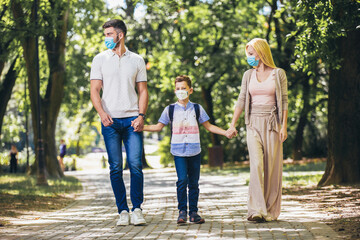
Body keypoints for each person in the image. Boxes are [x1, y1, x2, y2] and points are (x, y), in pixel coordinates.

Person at [142, 75, 231, 224]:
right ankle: (182, 212)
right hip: (178, 152)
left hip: (195, 150)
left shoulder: (197, 108)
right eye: (178, 89)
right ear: (174, 90)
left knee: (194, 183)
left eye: (183, 88)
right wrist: (141, 127)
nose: (180, 91)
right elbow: (158, 127)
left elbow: (208, 126)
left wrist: (225, 132)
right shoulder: (169, 109)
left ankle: (194, 213)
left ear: (190, 90)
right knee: (182, 180)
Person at [90, 19, 148, 226]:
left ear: (120, 35)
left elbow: (143, 90)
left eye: (109, 34)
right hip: (110, 122)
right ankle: (123, 211)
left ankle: (137, 209)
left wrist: (141, 115)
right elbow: (94, 90)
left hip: (133, 120)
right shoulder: (99, 59)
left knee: (135, 166)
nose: (106, 38)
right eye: (105, 34)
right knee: (115, 167)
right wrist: (102, 113)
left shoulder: (137, 60)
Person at [226, 38, 288, 222]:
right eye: (248, 54)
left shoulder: (278, 74)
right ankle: (256, 210)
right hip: (252, 123)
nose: (249, 57)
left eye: (251, 54)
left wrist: (283, 126)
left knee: (271, 167)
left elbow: (284, 101)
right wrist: (233, 123)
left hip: (272, 124)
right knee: (257, 165)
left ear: (261, 53)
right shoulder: (248, 75)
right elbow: (242, 100)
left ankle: (269, 209)